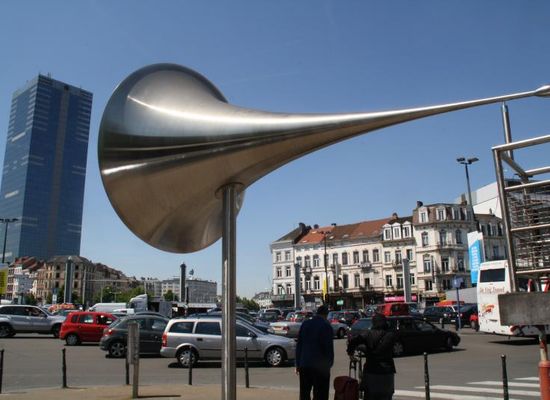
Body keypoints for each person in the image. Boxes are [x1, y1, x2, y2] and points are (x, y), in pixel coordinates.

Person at [347, 313, 397, 400]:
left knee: (370, 396)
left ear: (373, 323)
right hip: (387, 371)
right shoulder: (391, 335)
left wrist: (351, 353)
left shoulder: (368, 334)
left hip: (371, 371)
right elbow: (381, 350)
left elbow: (353, 342)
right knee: (386, 396)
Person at [295, 304, 334, 400]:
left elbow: (299, 345)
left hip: (304, 364)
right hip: (320, 367)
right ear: (326, 315)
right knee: (321, 394)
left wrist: (297, 364)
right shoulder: (326, 326)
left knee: (304, 393)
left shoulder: (305, 324)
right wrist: (329, 364)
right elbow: (328, 348)